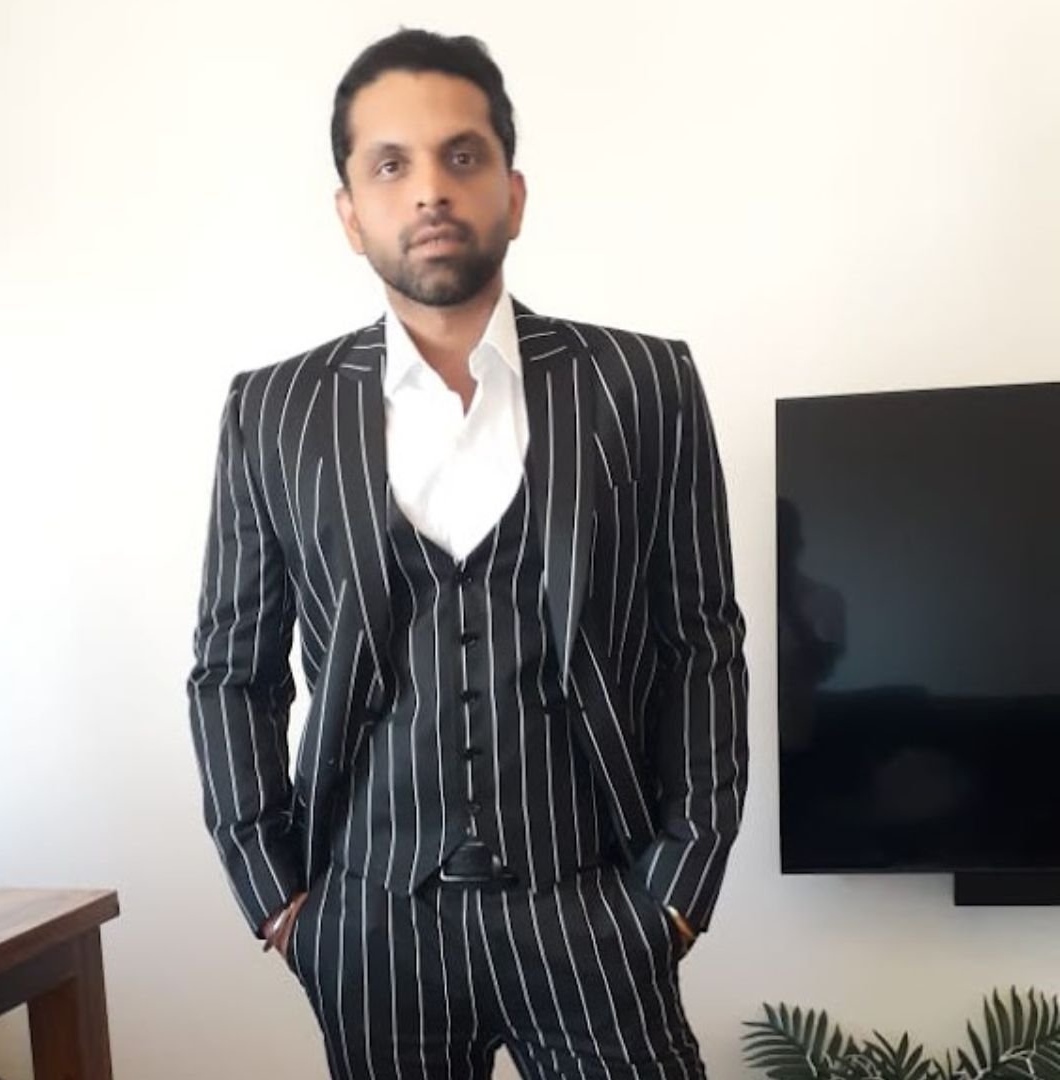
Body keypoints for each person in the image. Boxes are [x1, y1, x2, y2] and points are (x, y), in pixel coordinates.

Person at [188, 27, 748, 1080]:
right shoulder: (273, 411)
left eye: (462, 155)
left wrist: (681, 883)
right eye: (390, 165)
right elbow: (232, 671)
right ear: (350, 215)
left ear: (513, 194)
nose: (430, 190)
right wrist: (277, 896)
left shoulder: (644, 385)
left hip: (592, 901)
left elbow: (701, 644)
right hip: (369, 918)